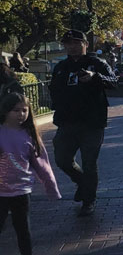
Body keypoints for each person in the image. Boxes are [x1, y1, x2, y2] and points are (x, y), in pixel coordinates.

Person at [48, 29, 117, 217]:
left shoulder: (97, 63)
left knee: (89, 163)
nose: (72, 47)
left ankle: (89, 200)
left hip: (92, 123)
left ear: (86, 44)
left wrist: (96, 77)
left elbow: (114, 81)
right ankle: (82, 182)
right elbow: (54, 89)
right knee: (62, 159)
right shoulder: (61, 67)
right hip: (67, 122)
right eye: (68, 43)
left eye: (76, 43)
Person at [0, 92, 60, 255]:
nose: (21, 114)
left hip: (22, 191)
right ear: (5, 111)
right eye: (16, 110)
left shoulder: (29, 135)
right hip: (0, 192)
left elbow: (42, 164)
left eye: (24, 110)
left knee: (23, 230)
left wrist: (51, 187)